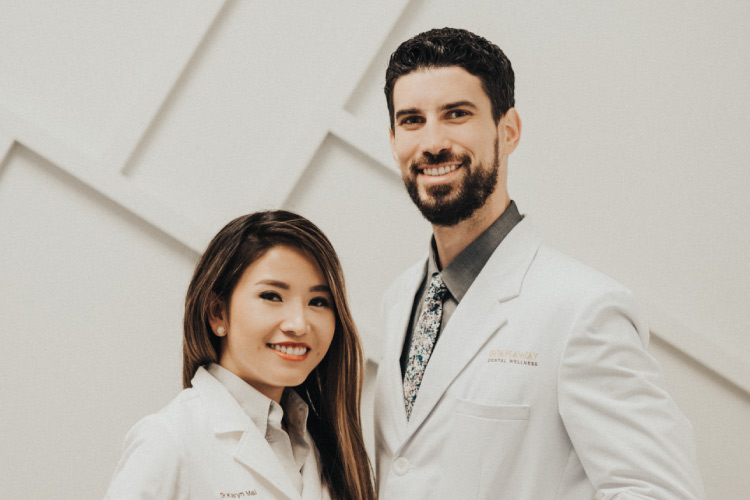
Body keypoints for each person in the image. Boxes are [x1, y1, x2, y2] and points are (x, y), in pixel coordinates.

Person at [373, 27, 705, 500]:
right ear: (392, 139)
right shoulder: (398, 298)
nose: (432, 142)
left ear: (508, 131)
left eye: (456, 114)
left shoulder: (584, 311)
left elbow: (660, 491)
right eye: (411, 120)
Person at [105, 210, 375, 500]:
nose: (299, 324)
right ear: (217, 312)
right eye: (272, 296)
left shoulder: (327, 447)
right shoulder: (168, 440)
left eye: (318, 301)